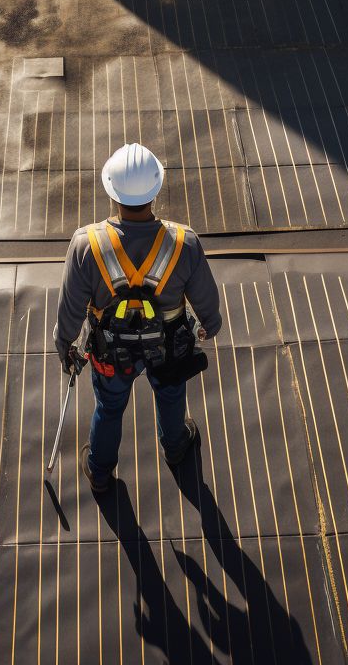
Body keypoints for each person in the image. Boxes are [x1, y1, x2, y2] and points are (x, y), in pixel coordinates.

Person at [54, 143, 223, 494]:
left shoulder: (86, 245)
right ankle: (175, 447)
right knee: (172, 396)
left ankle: (99, 471)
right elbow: (207, 304)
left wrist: (64, 345)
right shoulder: (183, 242)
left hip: (110, 353)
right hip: (170, 348)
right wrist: (211, 323)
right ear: (156, 190)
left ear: (111, 191)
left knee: (110, 408)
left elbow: (70, 309)